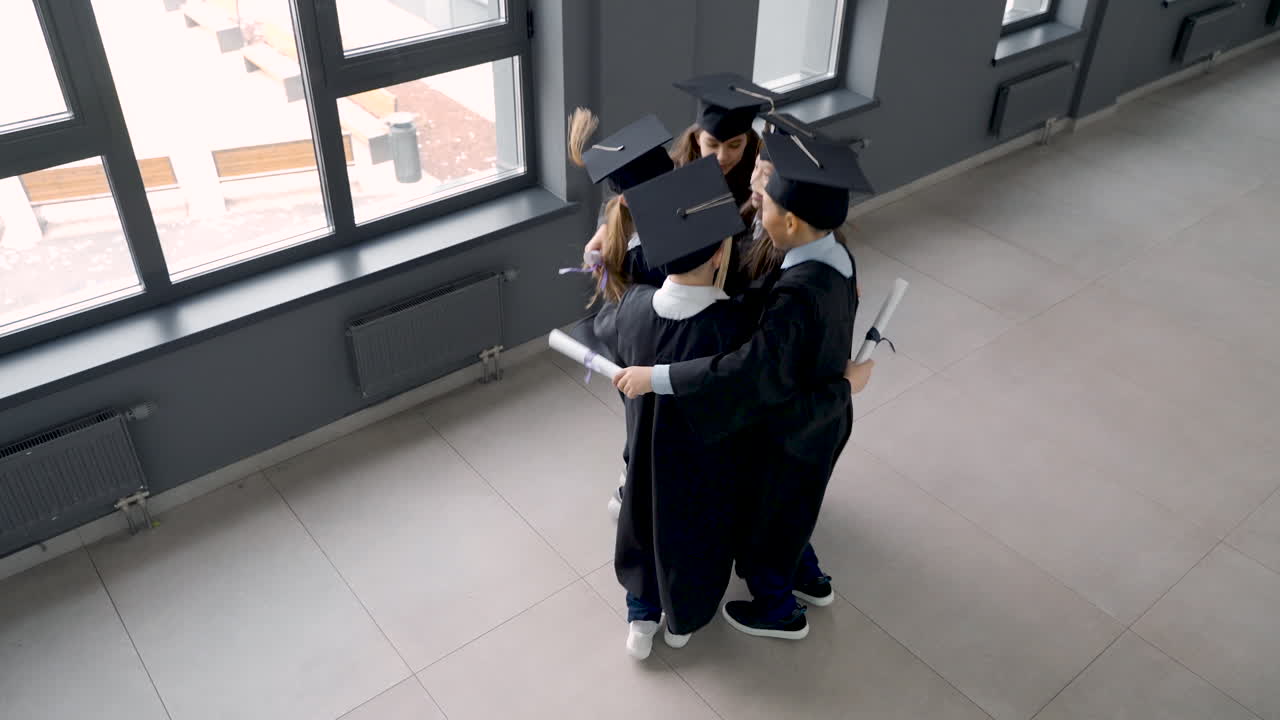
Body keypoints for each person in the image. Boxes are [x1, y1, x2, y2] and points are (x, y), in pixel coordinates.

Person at [614, 130, 876, 640]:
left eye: (766, 204)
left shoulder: (797, 293)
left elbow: (750, 369)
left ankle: (780, 610)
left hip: (794, 423)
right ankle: (809, 578)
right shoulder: (834, 258)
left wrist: (657, 377)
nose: (757, 209)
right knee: (796, 508)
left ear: (792, 220)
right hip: (819, 415)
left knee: (767, 522)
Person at [590, 156, 754, 659]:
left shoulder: (632, 307)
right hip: (703, 464)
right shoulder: (733, 324)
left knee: (642, 524)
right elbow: (741, 386)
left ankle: (641, 619)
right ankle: (682, 623)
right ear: (721, 251)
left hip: (644, 454)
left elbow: (605, 334)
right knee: (696, 540)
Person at [567, 108, 676, 305]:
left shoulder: (617, 217)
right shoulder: (639, 257)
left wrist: (604, 227)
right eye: (655, 191)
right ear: (625, 200)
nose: (665, 195)